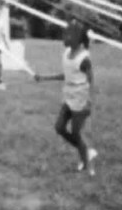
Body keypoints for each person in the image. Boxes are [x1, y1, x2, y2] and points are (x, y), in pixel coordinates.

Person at [34, 19, 98, 175]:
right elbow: (67, 75)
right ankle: (86, 152)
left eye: (70, 34)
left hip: (81, 99)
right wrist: (44, 77)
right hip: (68, 97)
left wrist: (90, 101)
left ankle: (89, 165)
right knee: (59, 127)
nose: (66, 36)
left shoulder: (84, 59)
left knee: (76, 134)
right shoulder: (66, 53)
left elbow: (91, 80)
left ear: (78, 38)